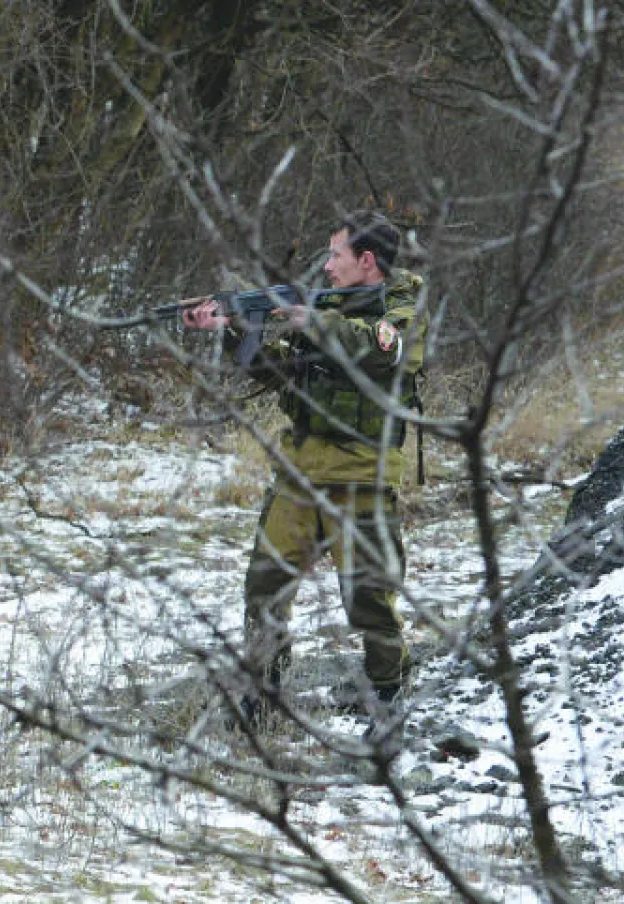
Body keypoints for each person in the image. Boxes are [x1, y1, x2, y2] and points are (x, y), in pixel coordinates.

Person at [180, 210, 426, 734]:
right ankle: (263, 693)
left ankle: (387, 691)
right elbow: (274, 373)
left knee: (368, 597)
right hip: (301, 470)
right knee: (264, 587)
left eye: (336, 255)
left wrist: (310, 320)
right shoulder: (325, 308)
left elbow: (381, 350)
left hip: (362, 472)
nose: (328, 266)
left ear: (366, 261)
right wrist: (235, 330)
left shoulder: (403, 309)